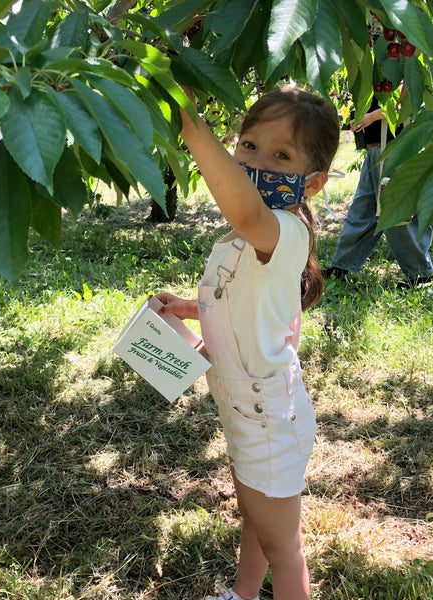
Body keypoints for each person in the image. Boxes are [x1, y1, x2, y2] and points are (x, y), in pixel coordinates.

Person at [155, 87, 339, 600]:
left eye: (282, 156)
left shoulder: (279, 227)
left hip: (269, 418)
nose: (258, 163)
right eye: (250, 146)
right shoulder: (245, 239)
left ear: (314, 181)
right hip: (246, 410)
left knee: (286, 549)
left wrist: (188, 118)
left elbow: (244, 211)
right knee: (254, 521)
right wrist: (190, 309)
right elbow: (242, 297)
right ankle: (242, 593)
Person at [324, 97, 433, 287]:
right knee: (363, 208)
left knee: (397, 214)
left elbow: (407, 102)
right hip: (376, 151)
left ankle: (420, 274)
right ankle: (342, 265)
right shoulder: (374, 69)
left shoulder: (401, 67)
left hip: (394, 149)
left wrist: (371, 117)